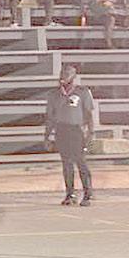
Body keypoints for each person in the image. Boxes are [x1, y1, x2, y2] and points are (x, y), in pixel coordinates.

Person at [44, 64, 96, 206]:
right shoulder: (54, 94)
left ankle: (88, 193)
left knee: (81, 161)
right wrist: (47, 136)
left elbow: (89, 114)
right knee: (66, 163)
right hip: (61, 130)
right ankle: (70, 194)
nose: (63, 76)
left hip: (76, 130)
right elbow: (50, 117)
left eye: (67, 74)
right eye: (62, 73)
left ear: (74, 76)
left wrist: (90, 133)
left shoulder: (82, 92)